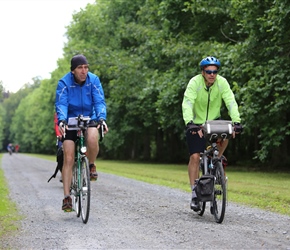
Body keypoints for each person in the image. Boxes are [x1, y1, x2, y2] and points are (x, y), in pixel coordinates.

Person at [182, 56, 243, 211]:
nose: (212, 74)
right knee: (195, 156)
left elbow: (230, 101)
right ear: (203, 72)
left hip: (214, 122)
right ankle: (195, 192)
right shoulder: (194, 83)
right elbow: (188, 102)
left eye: (215, 72)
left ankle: (215, 161)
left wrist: (236, 121)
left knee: (227, 134)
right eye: (208, 71)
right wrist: (189, 122)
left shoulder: (222, 83)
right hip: (196, 123)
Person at [55, 54, 108, 212]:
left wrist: (101, 118)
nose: (84, 71)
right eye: (80, 68)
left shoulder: (94, 80)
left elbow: (99, 101)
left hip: (88, 118)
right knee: (69, 157)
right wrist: (62, 120)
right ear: (73, 71)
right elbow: (61, 103)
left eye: (86, 67)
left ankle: (91, 165)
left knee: (92, 138)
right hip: (70, 120)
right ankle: (67, 198)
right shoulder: (64, 82)